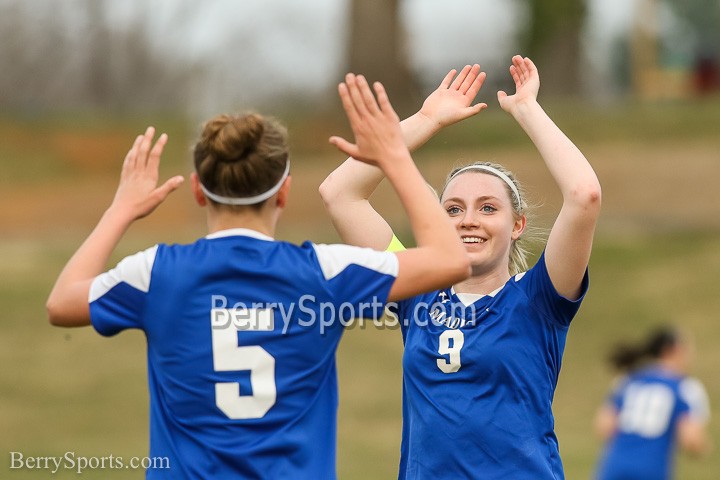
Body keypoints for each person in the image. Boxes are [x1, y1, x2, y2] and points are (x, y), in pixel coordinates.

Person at [46, 75, 470, 479]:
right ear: (283, 191)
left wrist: (121, 210)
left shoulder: (157, 273)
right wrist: (393, 155)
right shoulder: (325, 273)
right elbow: (450, 260)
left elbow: (62, 302)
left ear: (198, 190)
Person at [319, 56, 602, 479]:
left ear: (517, 225)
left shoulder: (538, 298)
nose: (468, 219)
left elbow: (584, 194)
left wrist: (527, 109)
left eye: (487, 208)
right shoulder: (417, 288)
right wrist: (427, 120)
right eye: (452, 209)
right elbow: (339, 194)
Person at [594, 326, 712, 480]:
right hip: (651, 470)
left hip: (614, 468)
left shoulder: (629, 380)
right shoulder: (685, 388)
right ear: (674, 349)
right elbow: (690, 439)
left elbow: (603, 427)